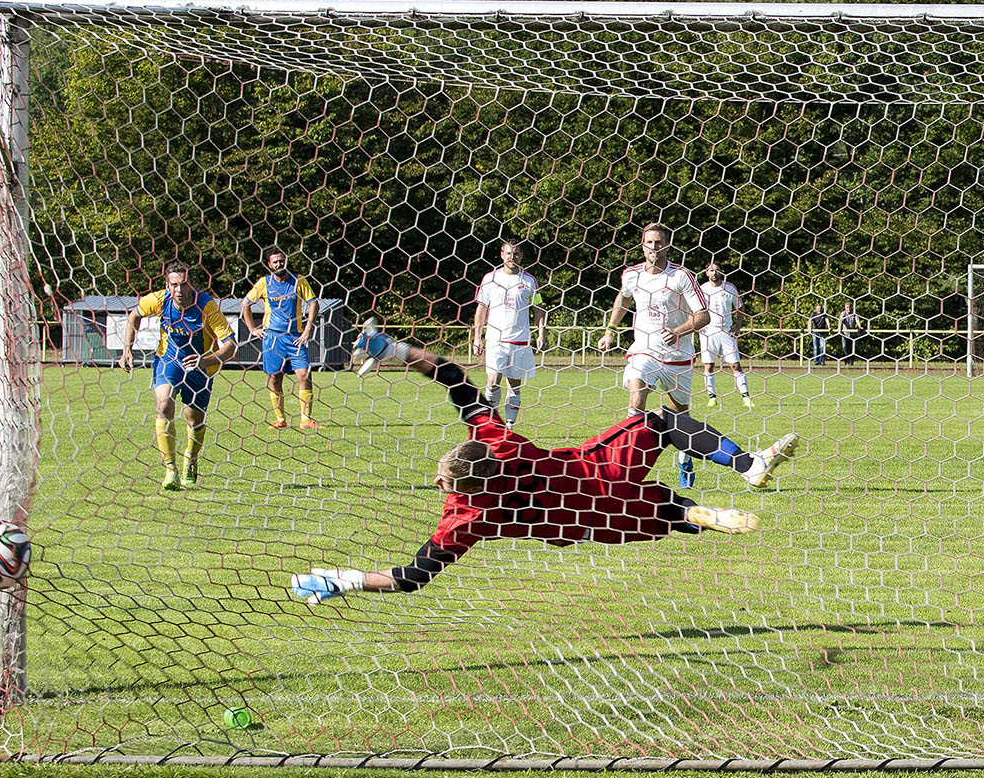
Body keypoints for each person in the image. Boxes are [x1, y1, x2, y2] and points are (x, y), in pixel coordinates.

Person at [291, 335, 799, 603]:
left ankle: (693, 514)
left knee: (663, 514)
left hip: (580, 523)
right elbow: (454, 378)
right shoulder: (498, 440)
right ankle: (746, 464)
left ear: (454, 484)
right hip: (600, 474)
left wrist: (344, 579)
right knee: (659, 421)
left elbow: (412, 577)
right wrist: (397, 351)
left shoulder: (466, 517)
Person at [596, 223, 710, 489]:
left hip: (677, 356)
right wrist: (610, 332)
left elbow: (703, 315)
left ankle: (684, 458)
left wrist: (679, 331)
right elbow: (622, 300)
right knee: (637, 395)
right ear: (642, 244)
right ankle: (624, 466)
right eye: (649, 242)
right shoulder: (631, 275)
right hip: (644, 350)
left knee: (681, 415)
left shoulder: (681, 276)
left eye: (659, 243)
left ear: (667, 245)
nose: (654, 248)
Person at [118, 260, 237, 491]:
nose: (179, 290)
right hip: (168, 360)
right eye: (174, 285)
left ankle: (190, 459)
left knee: (194, 420)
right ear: (167, 284)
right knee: (164, 404)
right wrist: (126, 349)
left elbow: (231, 346)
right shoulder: (159, 300)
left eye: (183, 284)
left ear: (191, 284)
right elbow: (134, 316)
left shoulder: (207, 306)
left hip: (200, 366)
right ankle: (170, 469)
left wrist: (204, 360)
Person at [470, 237, 548, 430]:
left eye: (516, 253)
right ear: (501, 255)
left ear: (521, 256)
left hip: (519, 340)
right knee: (493, 381)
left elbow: (538, 308)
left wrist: (541, 333)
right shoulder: (490, 279)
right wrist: (477, 336)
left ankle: (510, 425)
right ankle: (491, 422)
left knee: (514, 385)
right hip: (495, 339)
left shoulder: (529, 280)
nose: (512, 257)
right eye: (508, 253)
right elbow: (481, 308)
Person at [241, 248, 320, 430]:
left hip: (295, 338)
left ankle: (305, 420)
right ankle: (280, 419)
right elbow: (245, 304)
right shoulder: (264, 283)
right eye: (275, 262)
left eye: (281, 261)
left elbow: (313, 303)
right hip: (272, 338)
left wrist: (307, 330)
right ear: (270, 265)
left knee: (304, 375)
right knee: (274, 379)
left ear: (286, 261)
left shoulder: (298, 281)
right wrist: (252, 329)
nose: (279, 264)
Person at [699, 261, 752, 409]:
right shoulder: (702, 289)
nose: (714, 273)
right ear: (706, 273)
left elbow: (740, 308)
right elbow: (693, 308)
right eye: (711, 270)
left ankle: (746, 397)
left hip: (726, 331)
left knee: (735, 365)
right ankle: (712, 397)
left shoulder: (729, 288)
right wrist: (698, 326)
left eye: (716, 270)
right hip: (708, 332)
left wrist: (737, 327)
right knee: (709, 365)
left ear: (721, 272)